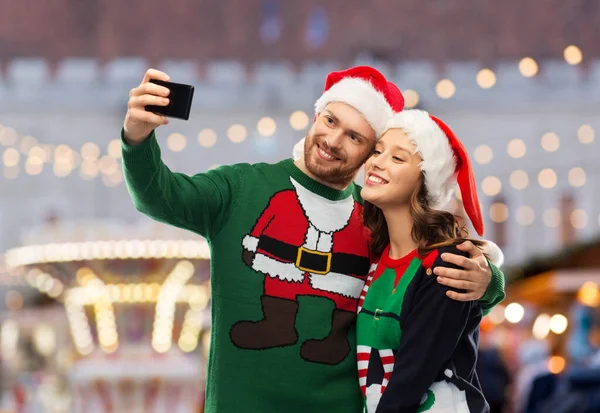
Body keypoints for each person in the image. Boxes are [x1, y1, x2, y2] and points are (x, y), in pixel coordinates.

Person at [121, 65, 506, 413]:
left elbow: (426, 273)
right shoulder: (240, 187)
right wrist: (136, 139)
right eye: (331, 120)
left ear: (365, 156)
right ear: (315, 116)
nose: (333, 140)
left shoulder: (373, 218)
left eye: (355, 137)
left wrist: (490, 281)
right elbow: (159, 196)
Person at [356, 110, 503, 412]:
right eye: (378, 151)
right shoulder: (375, 255)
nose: (377, 162)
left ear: (425, 182)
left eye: (398, 159)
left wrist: (492, 280)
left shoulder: (447, 265)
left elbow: (411, 380)